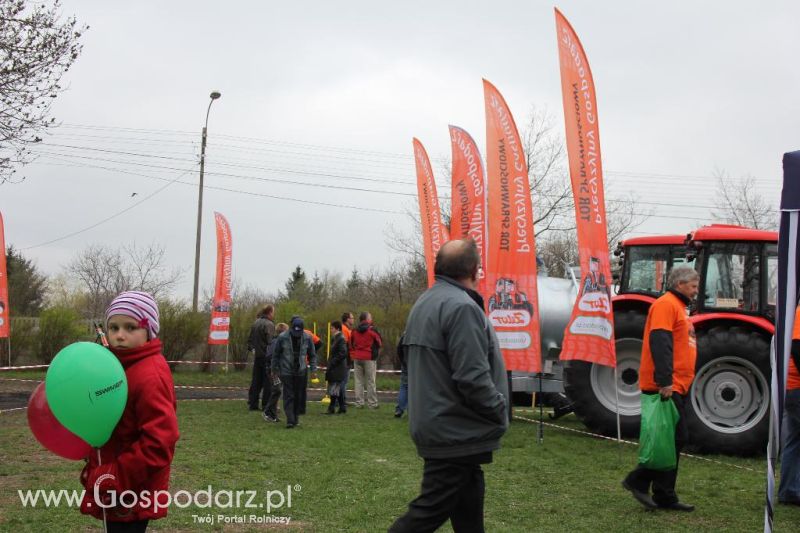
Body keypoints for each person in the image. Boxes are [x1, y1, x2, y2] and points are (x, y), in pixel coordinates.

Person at [389, 239, 509, 533]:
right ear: (474, 269)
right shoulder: (461, 307)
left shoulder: (425, 302)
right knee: (428, 511)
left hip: (442, 425)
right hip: (454, 430)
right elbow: (471, 377)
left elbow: (402, 356)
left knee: (468, 502)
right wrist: (498, 409)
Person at [79, 291, 179, 532]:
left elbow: (159, 443)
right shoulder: (117, 366)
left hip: (131, 487)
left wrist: (114, 475)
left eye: (130, 327)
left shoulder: (149, 374)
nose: (119, 335)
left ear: (149, 330)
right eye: (113, 327)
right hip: (114, 482)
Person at [623, 265, 699, 512]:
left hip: (676, 384)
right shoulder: (666, 305)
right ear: (680, 285)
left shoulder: (678, 307)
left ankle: (664, 495)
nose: (696, 291)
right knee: (675, 438)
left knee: (673, 440)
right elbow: (660, 342)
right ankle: (639, 481)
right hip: (666, 385)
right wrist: (665, 380)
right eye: (693, 286)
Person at [270, 316, 317, 429]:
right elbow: (276, 355)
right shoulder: (282, 337)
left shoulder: (307, 337)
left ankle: (296, 418)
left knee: (298, 396)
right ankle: (290, 420)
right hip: (286, 371)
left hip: (301, 371)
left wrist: (313, 370)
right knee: (289, 395)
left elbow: (312, 355)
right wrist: (274, 369)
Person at [779, 304, 800, 505]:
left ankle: (790, 491)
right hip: (797, 388)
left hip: (794, 388)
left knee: (795, 441)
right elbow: (797, 347)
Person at [350, 311, 382, 409]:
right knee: (370, 381)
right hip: (369, 358)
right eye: (370, 317)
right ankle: (372, 403)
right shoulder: (372, 330)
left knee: (358, 381)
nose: (371, 319)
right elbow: (379, 343)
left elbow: (351, 343)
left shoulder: (354, 330)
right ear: (367, 319)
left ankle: (359, 402)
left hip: (357, 357)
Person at [247, 305, 276, 411]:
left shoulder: (256, 322)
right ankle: (266, 404)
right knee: (268, 382)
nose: (274, 314)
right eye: (273, 312)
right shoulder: (269, 324)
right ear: (269, 312)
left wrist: (253, 350)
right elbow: (271, 342)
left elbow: (250, 341)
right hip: (267, 357)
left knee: (256, 381)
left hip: (257, 357)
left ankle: (253, 404)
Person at [263, 322, 289, 423]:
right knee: (277, 390)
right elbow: (271, 356)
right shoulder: (275, 342)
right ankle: (267, 412)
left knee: (276, 391)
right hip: (273, 370)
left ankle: (272, 415)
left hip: (278, 370)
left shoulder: (280, 341)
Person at [325, 321, 348, 415]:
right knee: (336, 388)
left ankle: (332, 407)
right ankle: (341, 407)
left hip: (338, 367)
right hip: (336, 366)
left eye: (332, 328)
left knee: (334, 387)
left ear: (337, 329)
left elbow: (342, 353)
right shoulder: (336, 338)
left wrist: (333, 362)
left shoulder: (340, 339)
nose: (331, 330)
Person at [340, 311, 355, 407]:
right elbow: (345, 345)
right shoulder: (344, 329)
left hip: (347, 359)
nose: (353, 320)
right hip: (345, 359)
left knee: (344, 381)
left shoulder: (347, 329)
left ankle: (342, 399)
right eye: (352, 318)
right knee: (343, 381)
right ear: (347, 319)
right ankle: (341, 400)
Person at [394, 333, 408, 418]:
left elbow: (399, 349)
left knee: (404, 386)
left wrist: (403, 361)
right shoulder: (421, 333)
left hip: (405, 363)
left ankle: (399, 410)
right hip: (418, 364)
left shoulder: (405, 334)